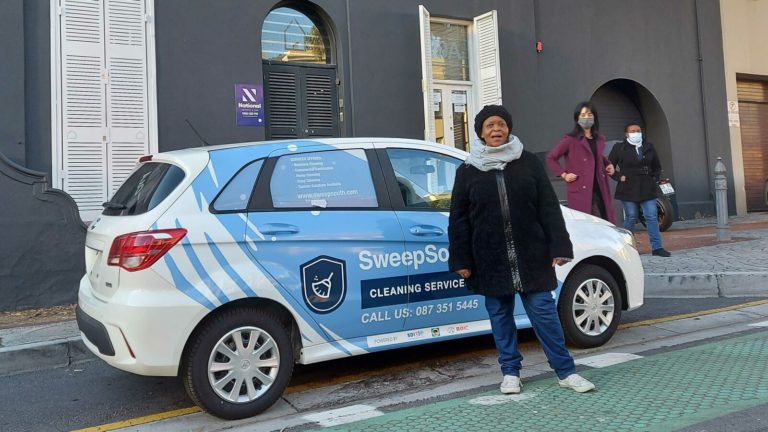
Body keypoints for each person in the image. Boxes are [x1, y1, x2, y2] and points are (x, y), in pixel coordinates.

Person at [448, 105, 595, 395]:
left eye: (500, 124)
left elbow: (548, 207)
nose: (495, 130)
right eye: (489, 125)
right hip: (489, 257)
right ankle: (510, 372)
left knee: (544, 311)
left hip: (532, 253)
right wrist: (461, 258)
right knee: (500, 314)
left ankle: (566, 371)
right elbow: (459, 218)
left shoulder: (528, 162)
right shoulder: (467, 170)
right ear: (480, 132)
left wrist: (559, 245)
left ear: (509, 128)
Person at [608, 123, 671, 257]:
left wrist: (653, 178)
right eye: (633, 131)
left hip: (647, 187)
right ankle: (626, 247)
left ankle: (657, 247)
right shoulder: (619, 148)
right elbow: (609, 166)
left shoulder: (648, 147)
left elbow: (657, 166)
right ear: (626, 134)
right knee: (631, 216)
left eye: (638, 130)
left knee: (651, 216)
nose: (636, 133)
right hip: (628, 187)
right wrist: (619, 177)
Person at [546, 101, 616, 223]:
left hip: (600, 187)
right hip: (581, 189)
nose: (586, 118)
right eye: (583, 115)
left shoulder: (598, 138)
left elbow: (597, 156)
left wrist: (608, 163)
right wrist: (564, 174)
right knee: (593, 223)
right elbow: (551, 157)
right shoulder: (570, 140)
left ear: (594, 117)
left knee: (605, 221)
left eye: (589, 114)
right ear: (577, 118)